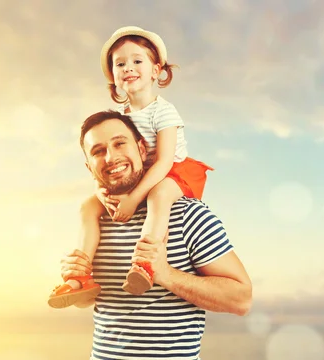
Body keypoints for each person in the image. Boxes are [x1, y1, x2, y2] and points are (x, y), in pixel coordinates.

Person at [61, 110, 252, 359]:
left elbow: (241, 300)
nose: (111, 157)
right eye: (98, 151)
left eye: (120, 143)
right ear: (89, 167)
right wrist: (76, 277)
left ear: (142, 149)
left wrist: (166, 275)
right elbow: (96, 302)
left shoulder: (186, 215)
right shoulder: (94, 221)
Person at [48, 26, 213, 305]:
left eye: (138, 61)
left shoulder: (164, 112)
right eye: (120, 63)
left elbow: (162, 162)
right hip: (140, 177)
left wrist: (134, 198)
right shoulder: (120, 119)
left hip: (173, 172)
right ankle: (80, 275)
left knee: (158, 195)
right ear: (113, 76)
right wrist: (103, 194)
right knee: (88, 206)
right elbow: (106, 162)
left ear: (156, 70)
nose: (129, 67)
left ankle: (145, 265)